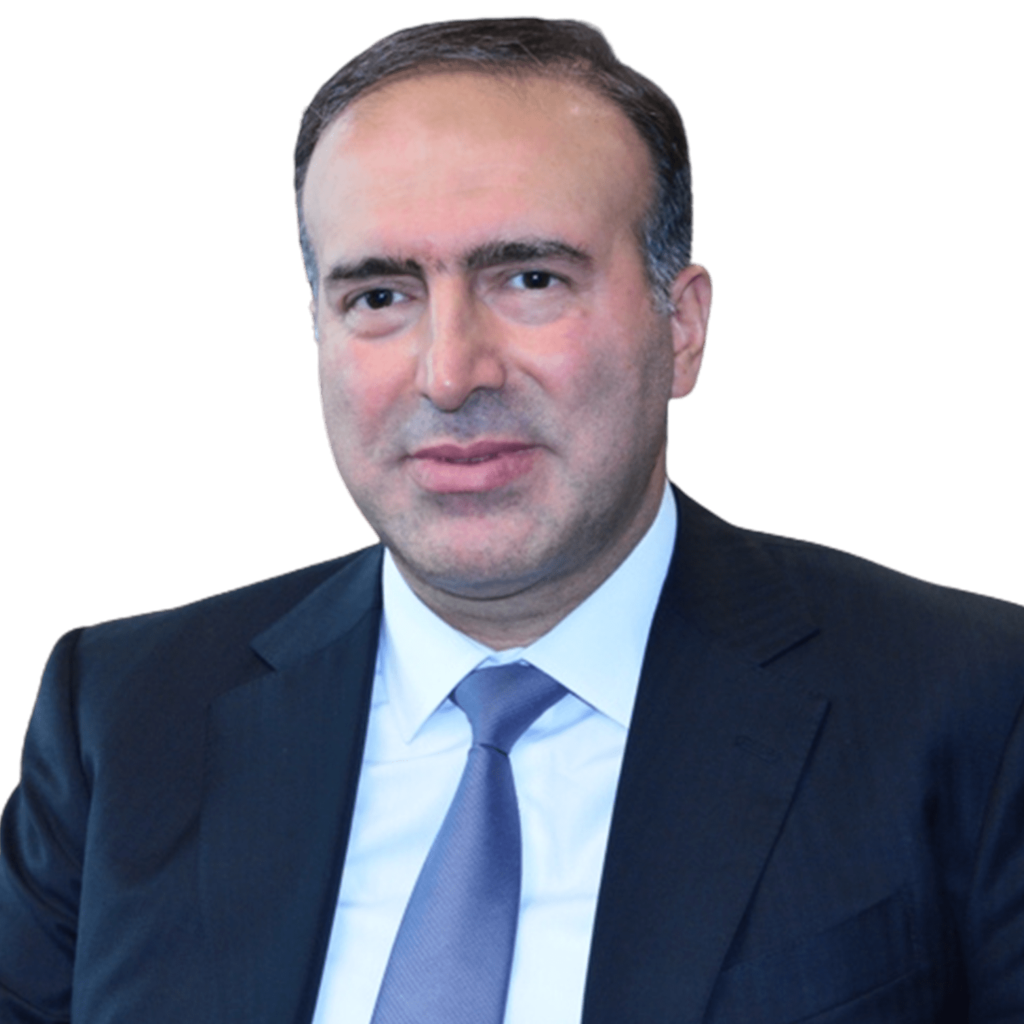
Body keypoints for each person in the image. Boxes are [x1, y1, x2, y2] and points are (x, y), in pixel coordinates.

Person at [1, 16, 1021, 1024]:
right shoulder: (125, 713)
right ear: (316, 332)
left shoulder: (971, 700)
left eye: (530, 280)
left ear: (682, 327)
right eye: (380, 296)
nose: (450, 374)